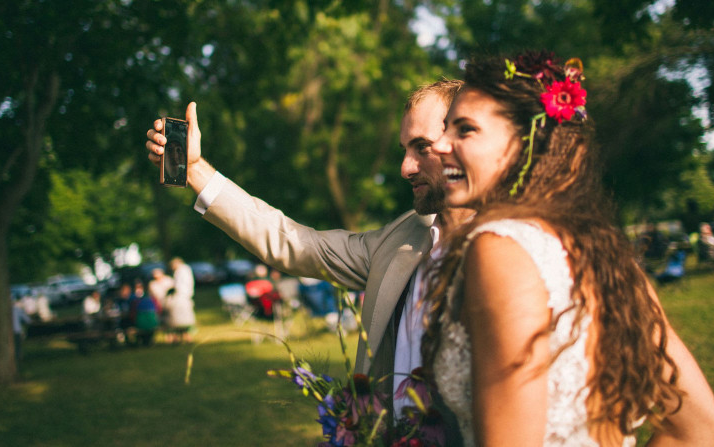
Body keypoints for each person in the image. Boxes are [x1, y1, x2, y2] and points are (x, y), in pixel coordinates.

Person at [420, 52, 714, 446]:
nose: (440, 144)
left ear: (526, 145)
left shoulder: (500, 249)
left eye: (464, 130)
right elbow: (701, 432)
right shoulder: (602, 252)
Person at [145, 80, 472, 408]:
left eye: (422, 147)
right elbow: (295, 244)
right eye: (404, 150)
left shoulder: (510, 248)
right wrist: (196, 172)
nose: (405, 168)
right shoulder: (401, 236)